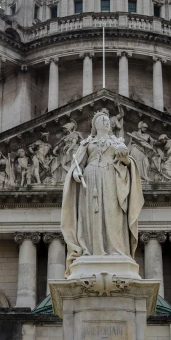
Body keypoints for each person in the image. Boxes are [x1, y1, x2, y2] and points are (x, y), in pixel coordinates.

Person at [61, 109, 144, 274]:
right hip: (91, 179)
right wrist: (76, 173)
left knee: (113, 212)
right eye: (102, 120)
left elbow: (127, 163)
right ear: (95, 125)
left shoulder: (117, 141)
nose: (106, 122)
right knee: (92, 215)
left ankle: (116, 250)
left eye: (107, 120)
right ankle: (93, 250)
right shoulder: (86, 143)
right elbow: (77, 163)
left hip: (111, 178)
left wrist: (124, 159)